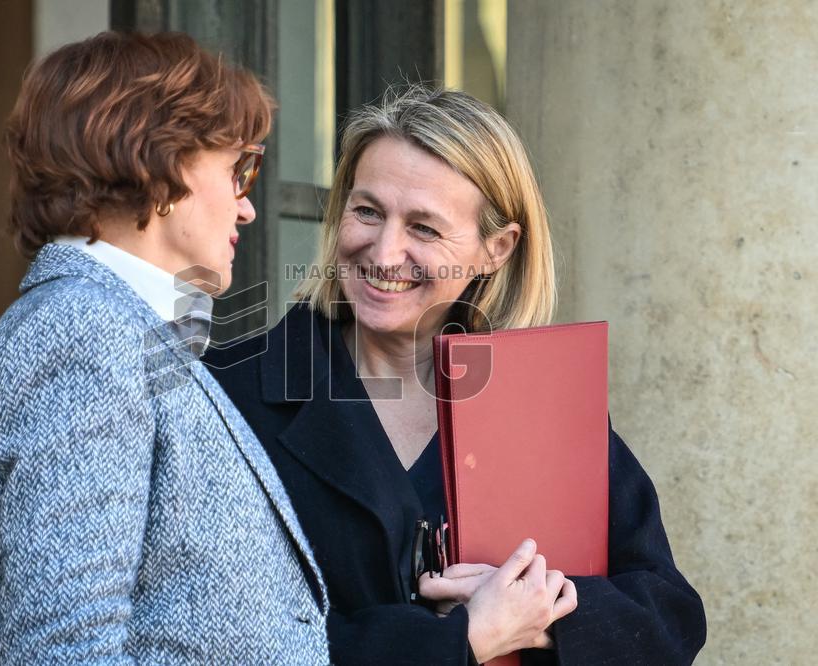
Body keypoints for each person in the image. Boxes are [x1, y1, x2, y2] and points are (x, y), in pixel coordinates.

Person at [205, 85, 707, 665]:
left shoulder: (540, 403)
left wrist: (534, 617)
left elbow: (667, 613)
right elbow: (215, 643)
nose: (384, 252)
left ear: (495, 249)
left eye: (424, 228)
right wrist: (462, 636)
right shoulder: (225, 392)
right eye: (367, 211)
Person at [0, 31, 328, 664]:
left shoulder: (117, 329)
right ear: (161, 159)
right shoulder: (84, 333)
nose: (248, 209)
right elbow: (68, 651)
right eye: (241, 170)